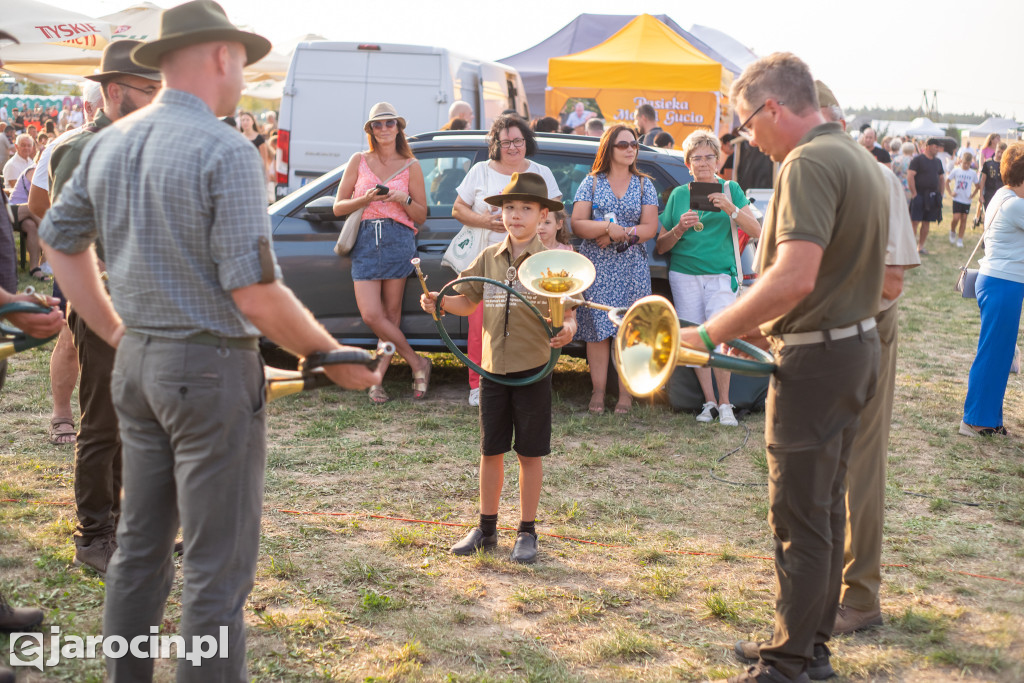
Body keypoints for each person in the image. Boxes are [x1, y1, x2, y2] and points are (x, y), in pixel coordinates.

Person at [38, 2, 381, 680]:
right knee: (215, 568)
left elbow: (56, 239)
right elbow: (252, 291)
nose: (244, 75)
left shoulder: (110, 139)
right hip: (209, 367)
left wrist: (112, 328)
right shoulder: (225, 147)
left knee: (139, 547)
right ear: (222, 55)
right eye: (243, 62)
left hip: (138, 366)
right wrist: (328, 353)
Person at [699, 53, 886, 683]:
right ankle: (808, 645)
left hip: (817, 360)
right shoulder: (857, 156)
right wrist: (760, 322)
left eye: (747, 123)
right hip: (853, 347)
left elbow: (795, 274)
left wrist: (709, 331)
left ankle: (786, 665)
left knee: (800, 517)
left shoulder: (806, 162)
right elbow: (834, 275)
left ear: (773, 108)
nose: (747, 139)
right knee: (826, 509)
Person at [44, 39, 165, 576]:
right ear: (115, 90)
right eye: (150, 90)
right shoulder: (81, 148)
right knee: (101, 426)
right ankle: (94, 535)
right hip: (106, 305)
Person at [419, 172, 576, 564]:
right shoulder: (488, 258)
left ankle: (527, 530)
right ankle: (486, 528)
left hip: (533, 369)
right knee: (491, 451)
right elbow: (465, 301)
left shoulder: (551, 263)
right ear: (500, 213)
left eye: (526, 208)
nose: (516, 215)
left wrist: (567, 331)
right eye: (509, 208)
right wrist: (438, 302)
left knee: (529, 453)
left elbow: (570, 316)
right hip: (492, 372)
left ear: (544, 215)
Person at [811, 81, 921, 638]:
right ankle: (824, 588)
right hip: (824, 338)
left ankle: (861, 596)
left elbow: (893, 280)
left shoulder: (876, 176)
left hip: (865, 332)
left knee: (860, 467)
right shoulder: (810, 171)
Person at [655, 129, 761, 427]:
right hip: (684, 274)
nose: (702, 162)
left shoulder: (731, 189)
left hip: (720, 275)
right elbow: (662, 245)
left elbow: (757, 231)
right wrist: (679, 229)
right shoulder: (679, 195)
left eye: (708, 156)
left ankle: (727, 403)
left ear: (718, 159)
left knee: (721, 337)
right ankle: (710, 402)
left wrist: (730, 208)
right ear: (688, 163)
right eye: (696, 157)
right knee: (696, 339)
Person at [453, 114, 561, 407]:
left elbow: (552, 216)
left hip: (532, 260)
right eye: (506, 142)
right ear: (496, 145)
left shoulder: (541, 172)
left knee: (528, 325)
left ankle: (530, 381)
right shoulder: (480, 171)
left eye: (518, 141)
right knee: (482, 326)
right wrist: (486, 222)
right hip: (492, 258)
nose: (513, 147)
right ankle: (478, 383)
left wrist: (547, 246)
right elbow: (458, 209)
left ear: (527, 142)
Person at [333, 102, 432, 404]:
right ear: (371, 131)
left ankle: (377, 380)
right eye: (378, 124)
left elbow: (421, 215)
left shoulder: (411, 165)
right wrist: (363, 199)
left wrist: (401, 198)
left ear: (399, 128)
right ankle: (418, 363)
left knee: (390, 316)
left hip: (398, 237)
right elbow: (338, 207)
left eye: (390, 123)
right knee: (372, 315)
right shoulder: (359, 160)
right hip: (365, 237)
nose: (384, 129)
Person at [27, 80, 104, 448]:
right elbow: (38, 204)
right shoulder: (64, 145)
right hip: (80, 259)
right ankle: (61, 413)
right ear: (88, 109)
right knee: (71, 337)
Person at [571, 124, 659, 414]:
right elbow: (577, 223)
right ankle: (597, 392)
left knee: (629, 330)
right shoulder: (591, 182)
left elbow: (650, 228)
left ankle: (625, 395)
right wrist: (607, 227)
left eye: (634, 144)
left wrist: (620, 234)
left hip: (631, 266)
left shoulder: (645, 184)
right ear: (609, 148)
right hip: (597, 265)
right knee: (598, 331)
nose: (630, 149)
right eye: (623, 144)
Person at [960, 143, 1024, 437]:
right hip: (1003, 283)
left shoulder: (1002, 195)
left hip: (999, 282)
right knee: (994, 354)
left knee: (999, 354)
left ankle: (988, 419)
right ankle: (975, 421)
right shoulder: (1014, 204)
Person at [908, 137, 946, 254]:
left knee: (926, 222)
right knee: (914, 222)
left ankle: (920, 247)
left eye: (938, 147)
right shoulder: (918, 160)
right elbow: (910, 176)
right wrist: (914, 193)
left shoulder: (938, 162)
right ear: (928, 147)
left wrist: (941, 193)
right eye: (935, 147)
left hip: (932, 196)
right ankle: (910, 248)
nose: (937, 150)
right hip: (919, 195)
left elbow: (941, 178)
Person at [947, 153, 979, 248]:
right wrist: (950, 192)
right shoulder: (956, 170)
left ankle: (960, 239)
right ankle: (952, 231)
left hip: (966, 200)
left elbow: (978, 186)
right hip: (957, 199)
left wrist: (972, 195)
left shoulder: (972, 173)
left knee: (964, 219)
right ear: (961, 161)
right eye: (964, 163)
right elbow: (947, 182)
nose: (966, 165)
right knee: (956, 218)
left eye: (968, 164)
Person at [975, 142, 1007, 226]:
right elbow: (983, 180)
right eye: (998, 151)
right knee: (988, 217)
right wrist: (981, 194)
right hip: (988, 194)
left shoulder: (1006, 165)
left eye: (1002, 152)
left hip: (1000, 195)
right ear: (995, 150)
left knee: (998, 217)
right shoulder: (988, 163)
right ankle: (985, 236)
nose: (1000, 154)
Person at [237, 109, 273, 180]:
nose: (245, 122)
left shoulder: (259, 138)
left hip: (255, 173)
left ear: (252, 122)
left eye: (247, 120)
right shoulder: (238, 137)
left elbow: (264, 159)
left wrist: (265, 174)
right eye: (243, 120)